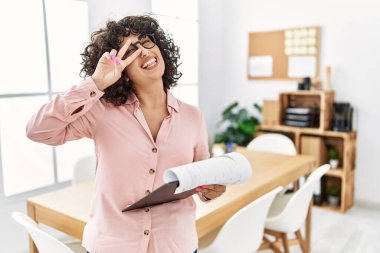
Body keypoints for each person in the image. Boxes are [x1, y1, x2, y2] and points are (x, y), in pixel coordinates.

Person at [26, 15, 226, 253]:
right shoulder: (101, 112)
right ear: (122, 69)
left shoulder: (194, 117)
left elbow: (200, 178)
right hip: (113, 245)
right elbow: (38, 131)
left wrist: (211, 189)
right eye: (130, 49)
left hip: (175, 245)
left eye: (146, 41)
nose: (144, 52)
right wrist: (96, 83)